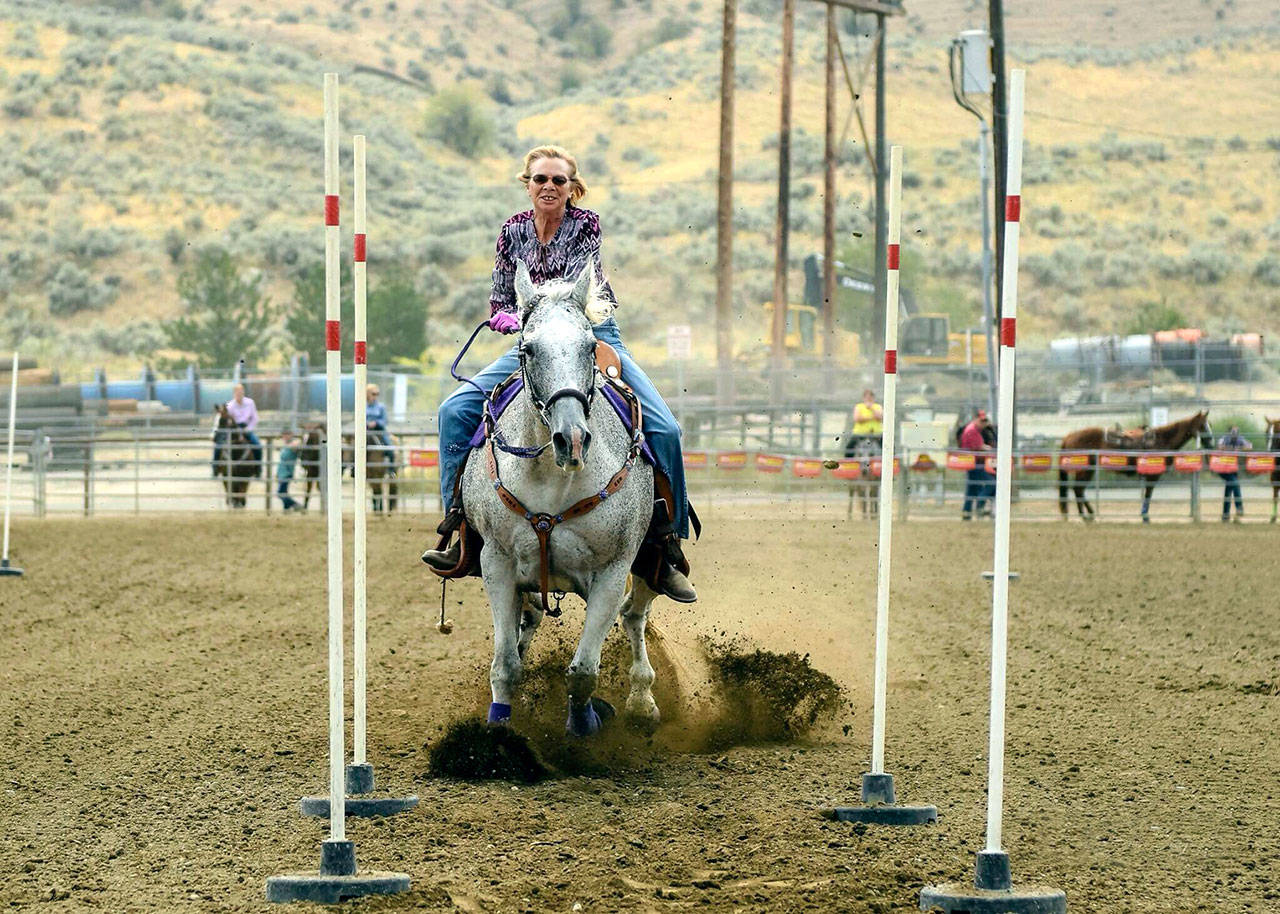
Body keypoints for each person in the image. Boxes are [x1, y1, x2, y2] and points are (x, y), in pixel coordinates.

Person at [420, 144, 695, 602]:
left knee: (666, 428)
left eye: (558, 180)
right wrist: (504, 315)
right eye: (541, 179)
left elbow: (573, 288)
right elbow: (500, 292)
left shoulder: (586, 224)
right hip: (535, 341)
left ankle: (667, 544)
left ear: (572, 188)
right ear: (528, 185)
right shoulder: (511, 231)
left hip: (592, 333)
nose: (549, 186)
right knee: (454, 410)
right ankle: (459, 527)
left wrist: (527, 309)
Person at [214, 383, 262, 474]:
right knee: (219, 445)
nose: (239, 394)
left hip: (247, 428)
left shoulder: (250, 403)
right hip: (233, 429)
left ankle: (257, 468)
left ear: (243, 392)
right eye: (237, 392)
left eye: (240, 392)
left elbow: (255, 418)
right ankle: (216, 468)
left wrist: (248, 429)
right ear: (234, 393)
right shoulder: (230, 405)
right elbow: (221, 417)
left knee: (257, 445)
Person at [960, 410, 994, 520]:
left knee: (972, 488)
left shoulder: (973, 429)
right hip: (975, 463)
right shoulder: (972, 430)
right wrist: (990, 449)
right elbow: (980, 447)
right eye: (981, 421)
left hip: (971, 463)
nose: (983, 423)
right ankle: (980, 503)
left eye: (985, 421)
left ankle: (966, 512)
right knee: (991, 483)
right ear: (975, 419)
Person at [1216, 425, 1252, 522]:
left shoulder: (1240, 439)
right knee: (1235, 483)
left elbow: (1249, 446)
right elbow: (1219, 447)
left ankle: (1225, 515)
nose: (1235, 435)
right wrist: (1231, 449)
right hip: (1223, 468)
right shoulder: (1224, 438)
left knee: (1229, 488)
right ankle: (1239, 507)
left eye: (1236, 432)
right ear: (1229, 432)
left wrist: (1239, 449)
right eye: (1233, 432)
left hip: (1233, 468)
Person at [276, 431, 301, 512]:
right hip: (282, 472)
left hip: (287, 472)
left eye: (287, 434)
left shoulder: (294, 444)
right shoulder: (285, 446)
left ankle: (296, 505)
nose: (285, 437)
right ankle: (286, 509)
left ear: (291, 435)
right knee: (284, 492)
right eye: (284, 435)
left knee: (280, 493)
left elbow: (297, 444)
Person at [365, 383, 393, 452]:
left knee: (388, 445)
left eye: (377, 394)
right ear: (367, 394)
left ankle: (390, 455)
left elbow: (385, 421)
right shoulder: (362, 406)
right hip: (365, 430)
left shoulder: (381, 407)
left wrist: (376, 423)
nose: (376, 396)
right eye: (373, 394)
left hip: (378, 430)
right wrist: (367, 423)